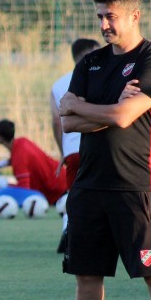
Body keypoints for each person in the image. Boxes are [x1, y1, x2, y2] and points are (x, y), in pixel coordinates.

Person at [59, 0, 151, 300]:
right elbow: (67, 122)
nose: (103, 24)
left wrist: (83, 106)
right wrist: (109, 109)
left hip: (134, 186)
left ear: (134, 15)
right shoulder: (89, 63)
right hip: (88, 185)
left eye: (110, 16)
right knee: (86, 277)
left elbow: (124, 117)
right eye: (99, 17)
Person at [50, 38, 101, 253]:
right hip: (96, 147)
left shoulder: (58, 84)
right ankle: (96, 238)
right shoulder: (99, 78)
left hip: (71, 150)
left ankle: (68, 228)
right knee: (100, 194)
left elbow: (56, 121)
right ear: (89, 55)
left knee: (74, 194)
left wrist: (62, 151)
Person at [0, 119, 68, 205]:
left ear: (1, 137)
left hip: (58, 191)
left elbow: (24, 189)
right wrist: (0, 164)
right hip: (63, 180)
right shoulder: (22, 142)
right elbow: (22, 158)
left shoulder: (19, 158)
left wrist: (2, 183)